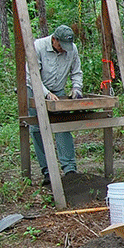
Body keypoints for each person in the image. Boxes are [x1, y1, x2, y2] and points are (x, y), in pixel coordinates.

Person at [26, 24, 83, 185]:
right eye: (61, 46)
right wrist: (45, 94)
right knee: (37, 128)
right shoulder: (38, 47)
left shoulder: (72, 49)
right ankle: (47, 171)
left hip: (57, 90)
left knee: (63, 126)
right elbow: (32, 75)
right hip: (35, 88)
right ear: (54, 40)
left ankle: (69, 168)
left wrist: (76, 88)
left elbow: (76, 71)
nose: (64, 50)